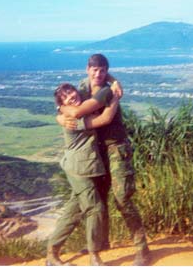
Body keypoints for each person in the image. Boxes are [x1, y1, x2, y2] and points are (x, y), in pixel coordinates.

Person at [57, 53, 150, 266]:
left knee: (122, 198)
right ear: (87, 69)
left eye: (102, 70)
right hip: (97, 153)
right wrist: (60, 112)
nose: (98, 73)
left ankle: (142, 249)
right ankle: (100, 244)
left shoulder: (110, 91)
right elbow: (67, 102)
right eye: (94, 69)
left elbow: (83, 112)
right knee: (98, 198)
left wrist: (114, 81)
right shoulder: (82, 87)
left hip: (116, 149)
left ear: (106, 71)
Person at [47, 83, 120, 266]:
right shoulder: (72, 118)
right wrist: (116, 97)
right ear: (63, 103)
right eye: (65, 96)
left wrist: (60, 108)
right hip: (79, 170)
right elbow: (104, 119)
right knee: (94, 208)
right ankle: (94, 255)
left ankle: (51, 252)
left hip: (86, 167)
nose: (71, 96)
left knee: (73, 210)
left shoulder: (79, 108)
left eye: (71, 91)